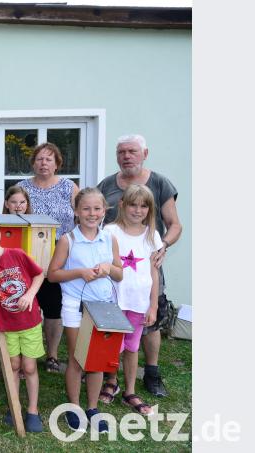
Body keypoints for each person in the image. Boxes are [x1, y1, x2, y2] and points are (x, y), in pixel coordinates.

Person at [97, 134, 182, 398]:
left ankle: (152, 374)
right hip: (115, 275)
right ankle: (112, 379)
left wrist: (162, 246)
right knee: (116, 333)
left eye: (132, 151)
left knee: (150, 323)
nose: (126, 156)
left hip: (147, 264)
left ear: (145, 153)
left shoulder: (159, 183)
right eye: (121, 151)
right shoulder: (107, 185)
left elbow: (175, 224)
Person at [47, 187, 123, 433]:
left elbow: (119, 273)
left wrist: (108, 268)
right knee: (78, 358)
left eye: (97, 209)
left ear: (104, 211)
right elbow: (53, 274)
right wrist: (80, 272)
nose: (92, 213)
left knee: (97, 361)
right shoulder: (67, 239)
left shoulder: (109, 238)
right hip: (75, 306)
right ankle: (74, 407)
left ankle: (92, 407)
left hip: (102, 306)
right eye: (86, 209)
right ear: (76, 211)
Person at [0, 216, 45, 433]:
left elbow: (39, 275)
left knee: (29, 367)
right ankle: (15, 406)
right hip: (7, 324)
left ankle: (32, 410)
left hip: (29, 321)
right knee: (12, 365)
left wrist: (30, 295)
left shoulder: (18, 254)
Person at [17, 143, 80, 374]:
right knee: (26, 304)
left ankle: (52, 354)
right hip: (28, 256)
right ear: (33, 163)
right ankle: (27, 352)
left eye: (49, 159)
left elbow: (82, 216)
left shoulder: (68, 187)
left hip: (59, 256)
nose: (44, 163)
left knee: (54, 306)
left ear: (57, 163)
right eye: (40, 159)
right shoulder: (22, 187)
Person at [99, 184, 161, 416]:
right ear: (122, 205)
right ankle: (111, 381)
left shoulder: (152, 235)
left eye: (143, 206)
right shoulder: (110, 231)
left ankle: (130, 390)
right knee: (113, 345)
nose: (137, 210)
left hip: (138, 302)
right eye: (133, 204)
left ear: (149, 209)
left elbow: (154, 273)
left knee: (132, 347)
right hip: (115, 299)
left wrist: (153, 305)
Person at [0, 185, 34, 381]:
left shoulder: (31, 223)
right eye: (14, 202)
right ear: (6, 204)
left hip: (20, 273)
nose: (18, 206)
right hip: (0, 272)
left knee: (20, 321)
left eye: (22, 202)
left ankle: (19, 363)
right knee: (0, 319)